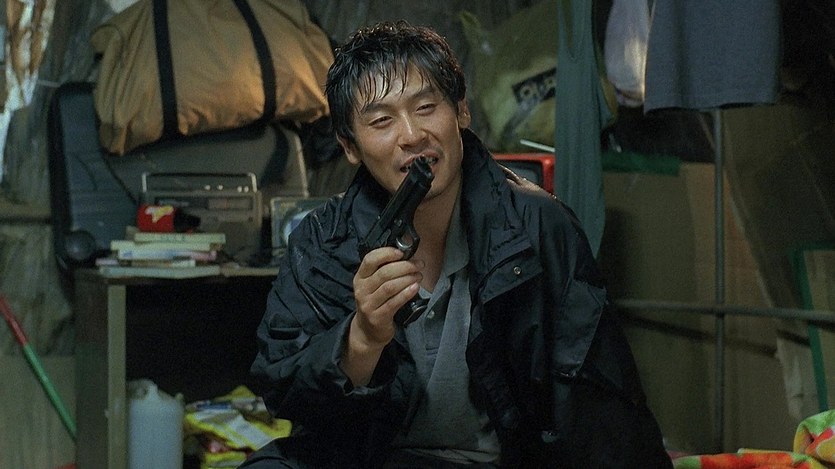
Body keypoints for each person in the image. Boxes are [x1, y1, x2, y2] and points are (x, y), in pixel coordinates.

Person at [241, 20, 672, 469]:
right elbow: (285, 391)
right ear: (350, 146)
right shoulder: (322, 241)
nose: (412, 135)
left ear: (461, 111)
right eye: (382, 120)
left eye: (426, 107)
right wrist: (362, 338)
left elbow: (600, 401)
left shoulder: (539, 225)